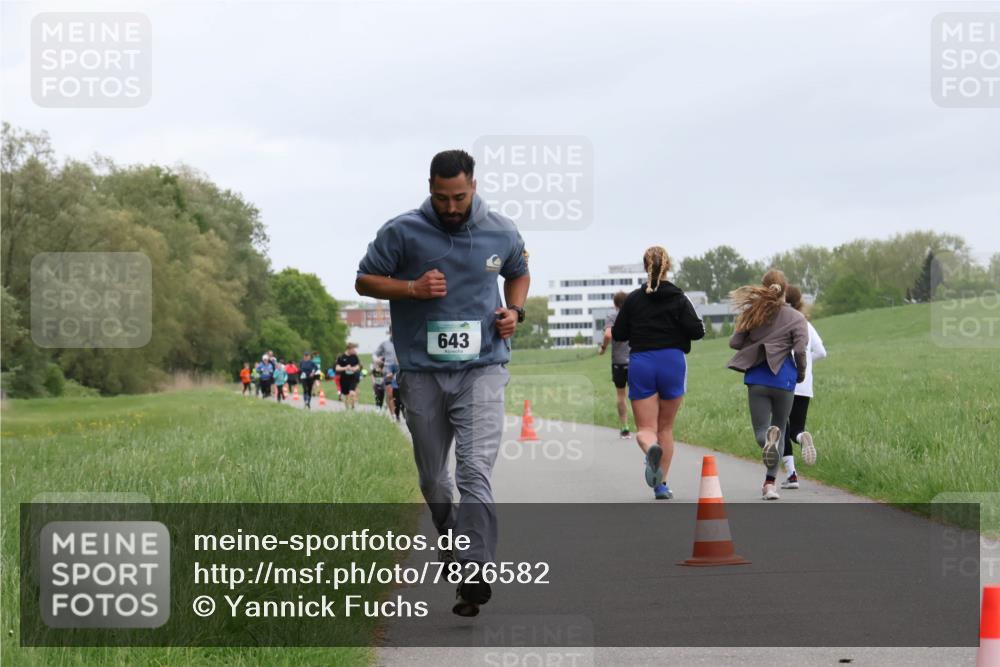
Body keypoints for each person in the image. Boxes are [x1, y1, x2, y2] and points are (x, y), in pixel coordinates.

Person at [356, 149, 530, 617]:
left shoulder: (502, 229)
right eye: (441, 198)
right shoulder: (403, 230)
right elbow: (364, 281)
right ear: (429, 186)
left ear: (473, 185)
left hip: (483, 369)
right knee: (435, 480)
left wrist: (514, 311)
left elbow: (518, 272)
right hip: (421, 374)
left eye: (458, 197)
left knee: (474, 472)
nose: (450, 207)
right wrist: (411, 288)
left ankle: (474, 570)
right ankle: (453, 546)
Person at [612, 246, 705, 500]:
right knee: (666, 428)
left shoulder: (633, 299)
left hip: (642, 362)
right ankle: (661, 485)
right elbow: (698, 331)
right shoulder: (678, 297)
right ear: (668, 267)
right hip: (672, 362)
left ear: (645, 267)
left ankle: (651, 448)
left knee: (646, 428)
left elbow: (619, 333)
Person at [727, 269, 808, 501]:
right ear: (786, 288)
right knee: (780, 428)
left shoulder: (753, 313)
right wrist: (800, 374)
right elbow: (800, 350)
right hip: (785, 380)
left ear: (763, 287)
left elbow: (735, 342)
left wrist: (753, 332)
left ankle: (767, 444)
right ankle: (770, 485)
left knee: (763, 432)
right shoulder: (796, 318)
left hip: (758, 379)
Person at [780, 285, 826, 489]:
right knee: (796, 428)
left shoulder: (780, 321)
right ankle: (802, 437)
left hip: (784, 382)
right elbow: (822, 352)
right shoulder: (806, 324)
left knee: (781, 429)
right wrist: (806, 362)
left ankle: (792, 475)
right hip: (805, 382)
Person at [599, 291, 632, 439]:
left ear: (615, 304)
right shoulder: (635, 316)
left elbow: (607, 335)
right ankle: (645, 428)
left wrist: (603, 348)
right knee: (638, 396)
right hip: (635, 360)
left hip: (619, 362)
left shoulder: (612, 317)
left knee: (621, 396)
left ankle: (625, 428)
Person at [374, 331, 399, 417]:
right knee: (389, 394)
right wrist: (376, 360)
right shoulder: (384, 344)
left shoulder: (402, 343)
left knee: (399, 394)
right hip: (387, 370)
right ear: (390, 333)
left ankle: (398, 411)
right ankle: (393, 415)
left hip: (399, 370)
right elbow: (375, 354)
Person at [336, 343, 362, 409]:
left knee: (352, 392)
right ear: (349, 349)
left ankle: (353, 407)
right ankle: (347, 409)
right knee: (346, 395)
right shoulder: (341, 357)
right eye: (353, 349)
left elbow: (358, 366)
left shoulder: (354, 356)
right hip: (344, 379)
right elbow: (337, 368)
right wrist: (345, 368)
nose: (354, 351)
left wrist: (354, 368)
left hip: (352, 378)